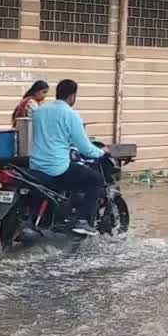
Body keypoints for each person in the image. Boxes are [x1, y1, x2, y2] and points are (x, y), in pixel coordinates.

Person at [29, 79, 105, 236]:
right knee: (95, 179)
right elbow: (84, 147)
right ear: (72, 96)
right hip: (57, 168)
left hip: (35, 165)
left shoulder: (39, 111)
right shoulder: (70, 114)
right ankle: (82, 221)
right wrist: (102, 152)